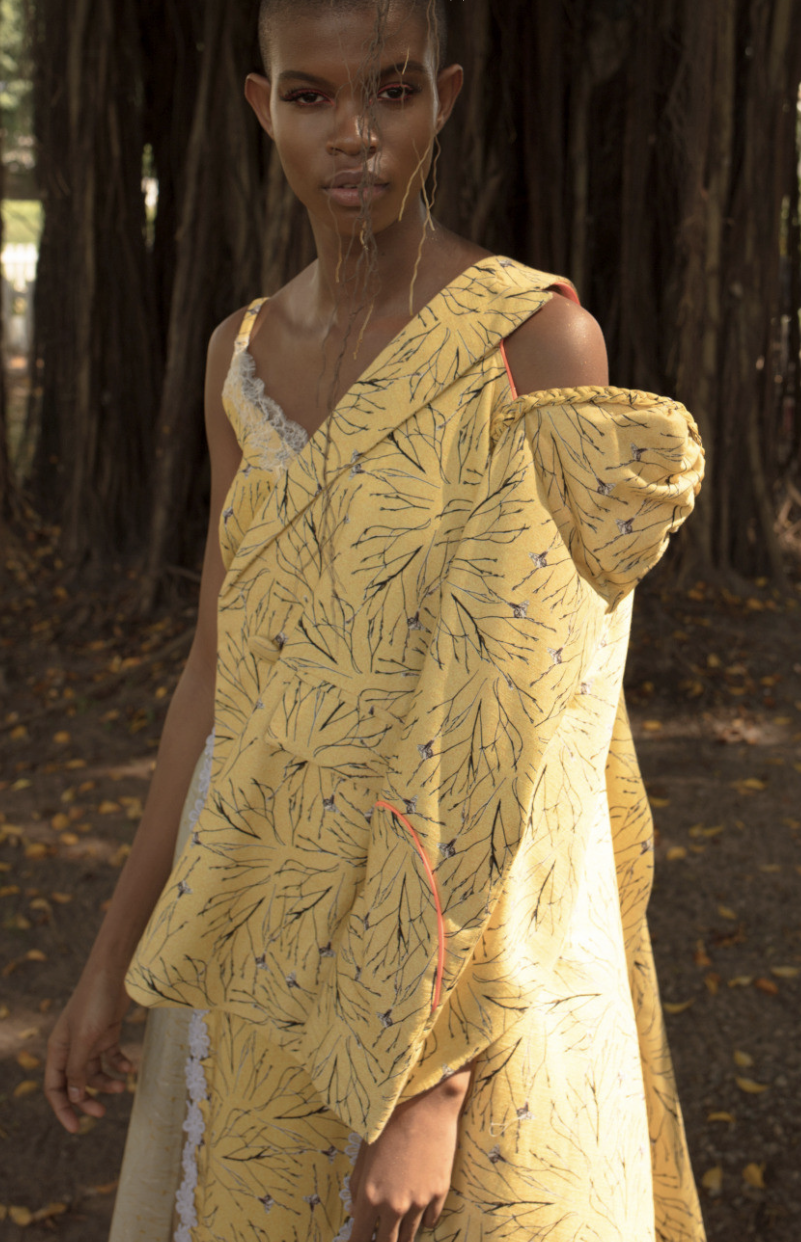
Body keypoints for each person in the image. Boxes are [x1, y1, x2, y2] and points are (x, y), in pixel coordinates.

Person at [45, 2, 708, 1240]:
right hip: (262, 918)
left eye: (393, 90)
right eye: (312, 96)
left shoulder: (534, 345)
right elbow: (216, 672)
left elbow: (544, 736)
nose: (354, 132)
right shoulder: (238, 356)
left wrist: (434, 1079)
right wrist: (110, 961)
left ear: (444, 99)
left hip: (464, 957)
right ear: (263, 108)